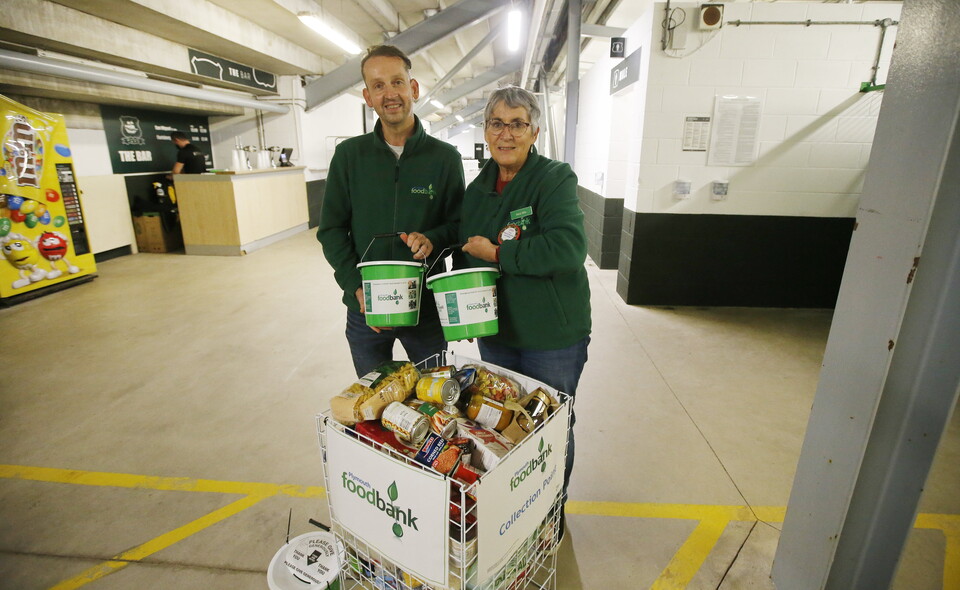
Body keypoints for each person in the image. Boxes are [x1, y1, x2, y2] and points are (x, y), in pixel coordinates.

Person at [459, 85, 591, 538]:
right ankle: (514, 511)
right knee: (500, 426)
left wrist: (499, 254)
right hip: (497, 333)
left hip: (551, 337)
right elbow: (461, 240)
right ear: (486, 130)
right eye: (498, 123)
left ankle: (549, 515)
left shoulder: (554, 178)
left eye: (517, 124)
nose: (507, 134)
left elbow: (568, 248)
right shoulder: (479, 186)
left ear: (534, 131)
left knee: (550, 429)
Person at [318, 45, 464, 378]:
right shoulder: (349, 157)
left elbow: (459, 225)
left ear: (413, 88)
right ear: (368, 97)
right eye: (378, 85)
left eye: (397, 82)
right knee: (374, 403)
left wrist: (433, 239)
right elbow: (331, 230)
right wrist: (356, 287)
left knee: (436, 396)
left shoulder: (444, 158)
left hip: (426, 309)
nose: (390, 93)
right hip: (365, 309)